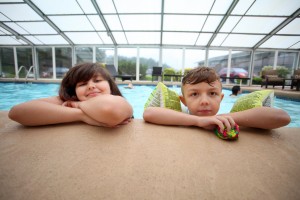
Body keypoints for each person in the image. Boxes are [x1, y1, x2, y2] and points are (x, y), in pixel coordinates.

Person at [143, 67, 290, 132]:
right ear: (184, 100)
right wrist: (198, 121)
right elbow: (149, 113)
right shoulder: (182, 113)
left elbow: (281, 117)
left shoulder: (225, 119)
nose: (205, 101)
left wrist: (224, 118)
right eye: (194, 94)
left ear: (221, 98)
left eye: (212, 94)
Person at [9, 62, 133, 127]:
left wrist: (77, 105)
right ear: (73, 91)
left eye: (97, 81)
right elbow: (16, 112)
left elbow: (108, 109)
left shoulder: (118, 100)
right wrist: (82, 116)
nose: (91, 86)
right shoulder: (70, 99)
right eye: (82, 84)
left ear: (110, 85)